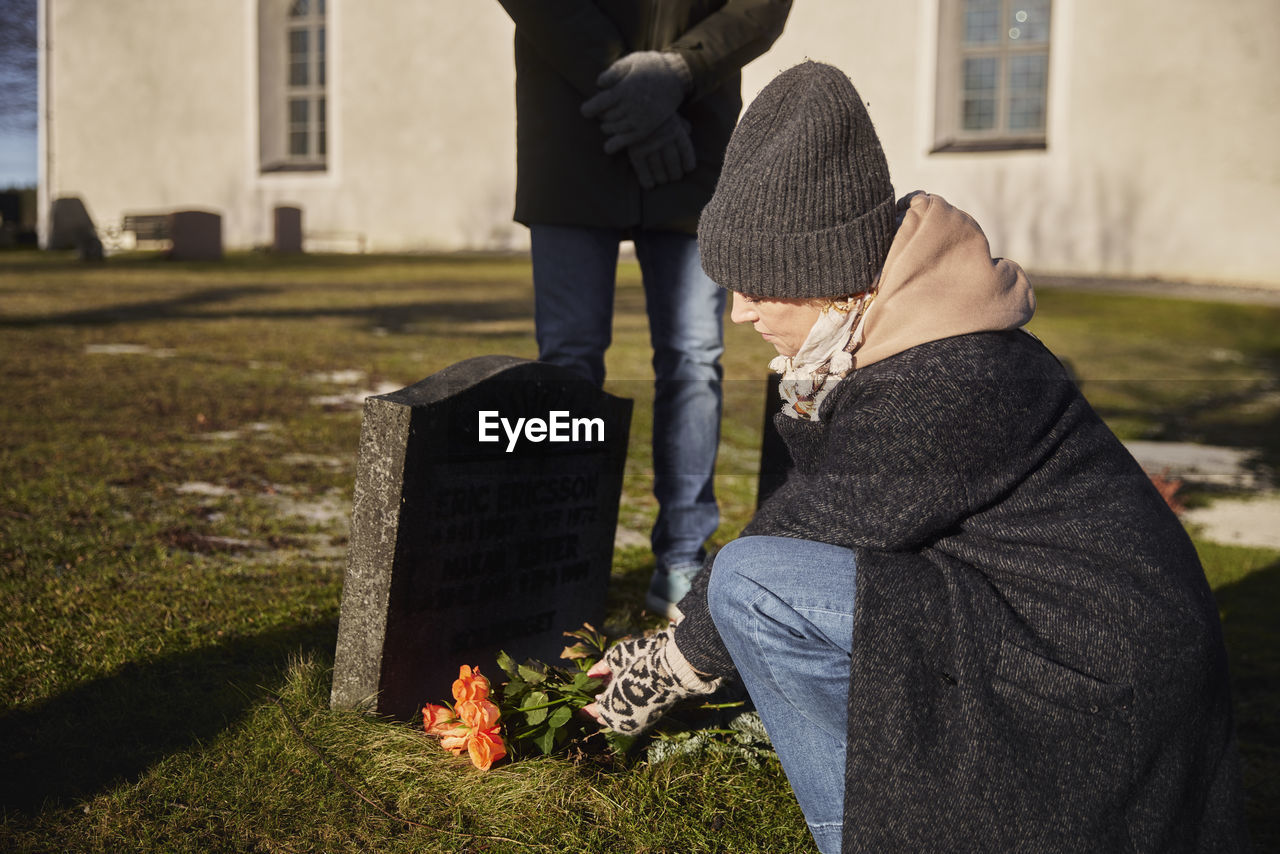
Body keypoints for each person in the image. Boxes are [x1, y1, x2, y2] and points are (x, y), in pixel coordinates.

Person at [584, 61, 1248, 853]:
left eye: (760, 286)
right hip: (1035, 620)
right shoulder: (892, 339)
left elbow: (798, 540)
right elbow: (820, 509)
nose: (739, 312)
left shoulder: (946, 375)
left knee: (755, 585)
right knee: (756, 581)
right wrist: (671, 646)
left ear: (826, 278)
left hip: (1098, 682)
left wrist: (662, 671)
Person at [495, 1, 793, 619]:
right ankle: (564, 554)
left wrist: (679, 73)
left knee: (694, 357)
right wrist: (639, 94)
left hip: (691, 139)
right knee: (570, 361)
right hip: (577, 128)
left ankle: (682, 555)